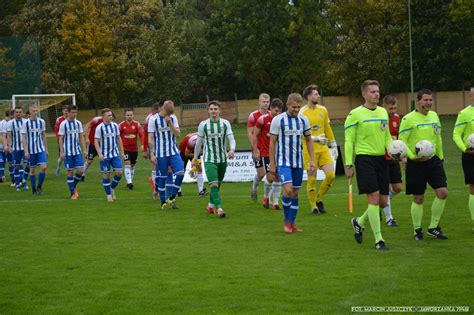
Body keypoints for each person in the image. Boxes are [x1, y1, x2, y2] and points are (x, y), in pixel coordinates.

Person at [345, 80, 391, 250]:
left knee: (383, 201)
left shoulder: (383, 112)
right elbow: (349, 140)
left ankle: (359, 222)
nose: (376, 94)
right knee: (373, 197)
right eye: (372, 92)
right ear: (364, 94)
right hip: (364, 159)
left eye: (377, 91)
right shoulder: (355, 114)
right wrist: (349, 164)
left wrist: (394, 150)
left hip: (381, 160)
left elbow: (386, 136)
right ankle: (379, 240)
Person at [399, 89, 448, 240]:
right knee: (418, 198)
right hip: (416, 164)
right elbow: (402, 141)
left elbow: (437, 137)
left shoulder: (434, 116)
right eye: (426, 100)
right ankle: (417, 230)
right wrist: (412, 157)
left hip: (434, 162)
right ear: (418, 101)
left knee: (442, 192)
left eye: (430, 100)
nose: (428, 103)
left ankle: (433, 227)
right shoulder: (408, 119)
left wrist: (440, 157)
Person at [268, 93, 315, 233]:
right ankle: (286, 222)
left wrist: (312, 160)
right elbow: (272, 142)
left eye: (298, 107)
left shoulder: (303, 120)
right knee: (288, 190)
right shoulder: (278, 120)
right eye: (294, 107)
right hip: (283, 162)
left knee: (295, 193)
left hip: (298, 163)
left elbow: (308, 140)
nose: (296, 109)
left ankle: (292, 223)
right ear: (287, 105)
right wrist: (272, 164)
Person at [193, 100, 236, 217]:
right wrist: (195, 158)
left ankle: (211, 205)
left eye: (215, 109)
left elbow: (231, 138)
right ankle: (220, 209)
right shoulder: (204, 125)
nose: (213, 111)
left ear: (219, 111)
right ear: (208, 111)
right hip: (209, 159)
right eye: (211, 109)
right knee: (214, 184)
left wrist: (232, 149)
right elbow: (198, 143)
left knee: (218, 184)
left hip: (222, 159)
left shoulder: (225, 123)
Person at [300, 84, 337, 215]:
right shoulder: (302, 113)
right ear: (309, 97)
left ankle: (318, 199)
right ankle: (313, 206)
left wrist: (333, 143)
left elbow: (327, 127)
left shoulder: (323, 110)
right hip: (309, 151)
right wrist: (315, 139)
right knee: (312, 178)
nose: (319, 96)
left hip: (323, 149)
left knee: (331, 175)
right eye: (316, 94)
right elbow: (300, 135)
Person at [148, 100, 184, 209]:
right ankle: (163, 202)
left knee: (180, 173)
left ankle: (171, 198)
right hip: (160, 153)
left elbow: (177, 134)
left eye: (170, 113)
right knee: (162, 178)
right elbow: (151, 137)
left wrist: (170, 123)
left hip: (173, 152)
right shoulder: (153, 120)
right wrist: (152, 154)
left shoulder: (173, 118)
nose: (169, 115)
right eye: (167, 113)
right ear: (162, 108)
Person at [252, 98, 283, 209]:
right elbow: (255, 135)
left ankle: (275, 203)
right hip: (266, 152)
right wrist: (256, 149)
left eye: (279, 111)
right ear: (271, 109)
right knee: (270, 177)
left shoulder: (282, 120)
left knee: (278, 177)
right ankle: (266, 196)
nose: (277, 113)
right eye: (275, 111)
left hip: (279, 153)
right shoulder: (262, 120)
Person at [453, 86, 474, 231]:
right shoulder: (464, 113)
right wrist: (465, 149)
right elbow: (456, 134)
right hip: (470, 155)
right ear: (471, 96)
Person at [94, 108, 125, 202]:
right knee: (106, 175)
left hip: (115, 154)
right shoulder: (99, 127)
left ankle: (111, 188)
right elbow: (96, 141)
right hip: (104, 156)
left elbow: (118, 138)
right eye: (109, 115)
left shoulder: (115, 126)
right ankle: (108, 196)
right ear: (103, 117)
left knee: (119, 173)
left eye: (111, 115)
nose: (111, 117)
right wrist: (99, 154)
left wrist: (122, 152)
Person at [381, 95, 402, 226]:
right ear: (384, 106)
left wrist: (402, 154)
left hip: (394, 157)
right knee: (385, 187)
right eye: (390, 108)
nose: (393, 110)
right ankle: (389, 218)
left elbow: (399, 136)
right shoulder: (379, 117)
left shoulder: (397, 118)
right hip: (381, 157)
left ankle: (380, 203)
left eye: (394, 108)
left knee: (398, 188)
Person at [58, 105, 86, 199]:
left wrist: (84, 149)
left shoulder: (78, 123)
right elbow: (60, 138)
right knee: (70, 172)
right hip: (67, 152)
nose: (74, 114)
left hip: (77, 151)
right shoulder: (63, 124)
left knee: (80, 170)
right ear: (68, 112)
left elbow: (81, 136)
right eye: (73, 112)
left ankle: (73, 187)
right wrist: (61, 152)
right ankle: (73, 193)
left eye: (76, 112)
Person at [247, 93, 271, 204]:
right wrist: (255, 150)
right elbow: (250, 133)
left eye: (267, 102)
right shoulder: (253, 116)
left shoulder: (272, 115)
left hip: (269, 150)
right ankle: (254, 187)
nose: (265, 104)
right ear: (259, 102)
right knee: (261, 174)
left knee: (270, 174)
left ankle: (267, 198)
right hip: (258, 149)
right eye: (263, 102)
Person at [21, 104, 48, 194]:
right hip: (31, 150)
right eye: (33, 111)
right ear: (30, 112)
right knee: (32, 170)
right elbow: (23, 138)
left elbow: (44, 135)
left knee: (43, 167)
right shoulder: (26, 123)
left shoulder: (42, 122)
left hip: (40, 149)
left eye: (36, 111)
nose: (35, 112)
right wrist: (26, 151)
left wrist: (46, 149)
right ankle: (33, 189)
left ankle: (39, 186)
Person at [119, 108, 144, 189]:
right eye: (128, 115)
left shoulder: (137, 124)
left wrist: (142, 144)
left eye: (131, 115)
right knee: (127, 164)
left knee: (132, 165)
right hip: (125, 149)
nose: (129, 116)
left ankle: (130, 181)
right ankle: (129, 182)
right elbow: (117, 136)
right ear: (125, 116)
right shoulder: (121, 125)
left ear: (133, 115)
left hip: (134, 149)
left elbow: (141, 135)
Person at [5, 106, 28, 191]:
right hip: (16, 148)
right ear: (14, 113)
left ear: (22, 113)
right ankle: (18, 184)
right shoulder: (10, 123)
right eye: (17, 112)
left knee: (28, 164)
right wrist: (9, 146)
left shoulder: (26, 122)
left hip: (25, 147)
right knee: (17, 166)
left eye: (20, 112)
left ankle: (23, 181)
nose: (18, 114)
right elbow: (9, 135)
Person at [178, 132, 207, 196]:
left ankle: (201, 191)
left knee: (199, 168)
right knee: (181, 170)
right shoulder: (192, 141)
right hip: (183, 151)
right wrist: (197, 155)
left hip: (195, 149)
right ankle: (178, 190)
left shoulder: (205, 139)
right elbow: (187, 154)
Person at [143, 102, 160, 190]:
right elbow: (146, 134)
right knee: (155, 166)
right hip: (153, 146)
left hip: (164, 146)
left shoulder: (165, 116)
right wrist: (145, 149)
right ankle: (155, 189)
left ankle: (158, 186)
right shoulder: (150, 119)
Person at [82, 115, 104, 181]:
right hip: (92, 144)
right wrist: (86, 138)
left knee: (104, 160)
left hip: (102, 146)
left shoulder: (110, 123)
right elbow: (87, 126)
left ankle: (105, 177)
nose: (110, 118)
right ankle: (82, 174)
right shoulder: (97, 120)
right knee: (89, 161)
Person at [54, 105, 68, 176]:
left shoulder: (71, 119)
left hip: (70, 141)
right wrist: (59, 138)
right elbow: (56, 130)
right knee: (61, 157)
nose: (66, 112)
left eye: (67, 111)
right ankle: (58, 168)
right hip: (61, 140)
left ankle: (69, 170)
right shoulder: (59, 119)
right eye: (65, 111)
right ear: (62, 111)